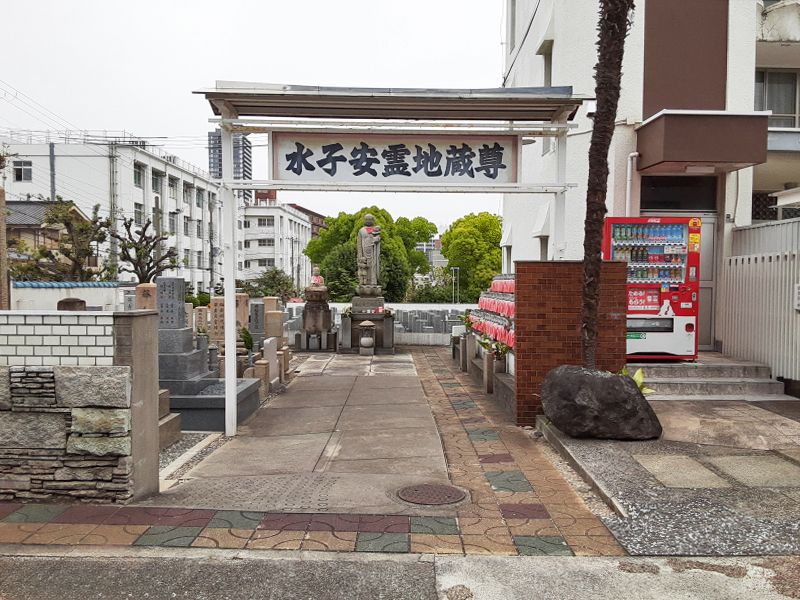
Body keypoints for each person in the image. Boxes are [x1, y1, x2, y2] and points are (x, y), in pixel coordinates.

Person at [356, 214, 381, 286]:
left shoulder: (375, 229)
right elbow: (359, 244)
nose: (368, 221)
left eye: (370, 219)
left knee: (373, 266)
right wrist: (360, 255)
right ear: (364, 220)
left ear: (373, 220)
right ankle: (364, 282)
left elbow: (378, 238)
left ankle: (373, 281)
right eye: (367, 219)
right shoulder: (361, 230)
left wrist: (377, 239)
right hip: (364, 252)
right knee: (364, 267)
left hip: (373, 251)